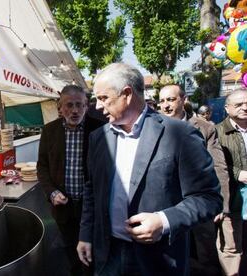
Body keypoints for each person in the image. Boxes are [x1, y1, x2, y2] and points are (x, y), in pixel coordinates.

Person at [77, 63, 223, 276]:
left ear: (127, 94)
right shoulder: (98, 137)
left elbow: (209, 197)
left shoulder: (180, 134)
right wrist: (86, 234)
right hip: (108, 254)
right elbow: (91, 191)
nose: (97, 106)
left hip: (159, 258)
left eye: (103, 98)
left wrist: (164, 221)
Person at [159, 84, 228, 276]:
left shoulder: (205, 128)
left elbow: (218, 167)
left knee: (206, 256)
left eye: (170, 99)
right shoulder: (153, 127)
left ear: (184, 100)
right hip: (168, 205)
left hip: (199, 203)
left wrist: (219, 203)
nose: (165, 105)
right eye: (162, 100)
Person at [37, 85, 105, 275]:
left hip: (91, 207)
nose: (75, 110)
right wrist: (52, 192)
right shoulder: (49, 131)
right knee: (70, 251)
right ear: (60, 107)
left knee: (93, 251)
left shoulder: (99, 129)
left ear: (86, 105)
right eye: (69, 105)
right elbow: (42, 166)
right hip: (63, 207)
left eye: (79, 105)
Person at [215, 89, 247, 276]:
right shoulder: (217, 131)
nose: (245, 107)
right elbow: (214, 165)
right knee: (231, 245)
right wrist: (237, 173)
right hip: (233, 197)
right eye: (239, 104)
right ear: (227, 108)